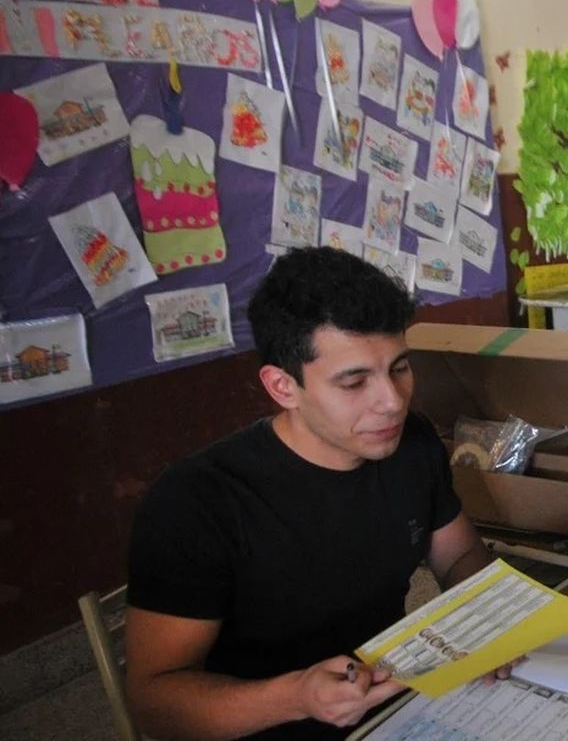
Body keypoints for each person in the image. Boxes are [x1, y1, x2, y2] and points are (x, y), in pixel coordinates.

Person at [125, 247, 497, 740]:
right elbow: (153, 704)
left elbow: (461, 555)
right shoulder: (197, 503)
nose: (392, 402)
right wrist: (296, 696)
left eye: (400, 367)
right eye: (354, 381)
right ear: (282, 386)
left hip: (397, 712)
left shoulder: (413, 446)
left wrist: (489, 624)